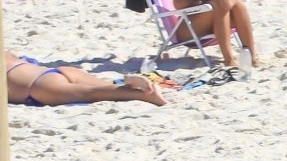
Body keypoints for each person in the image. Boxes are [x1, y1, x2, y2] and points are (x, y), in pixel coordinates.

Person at [4, 50, 167, 107]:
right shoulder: (6, 53)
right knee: (105, 86)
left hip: (38, 86)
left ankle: (143, 94)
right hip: (58, 71)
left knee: (91, 93)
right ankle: (127, 81)